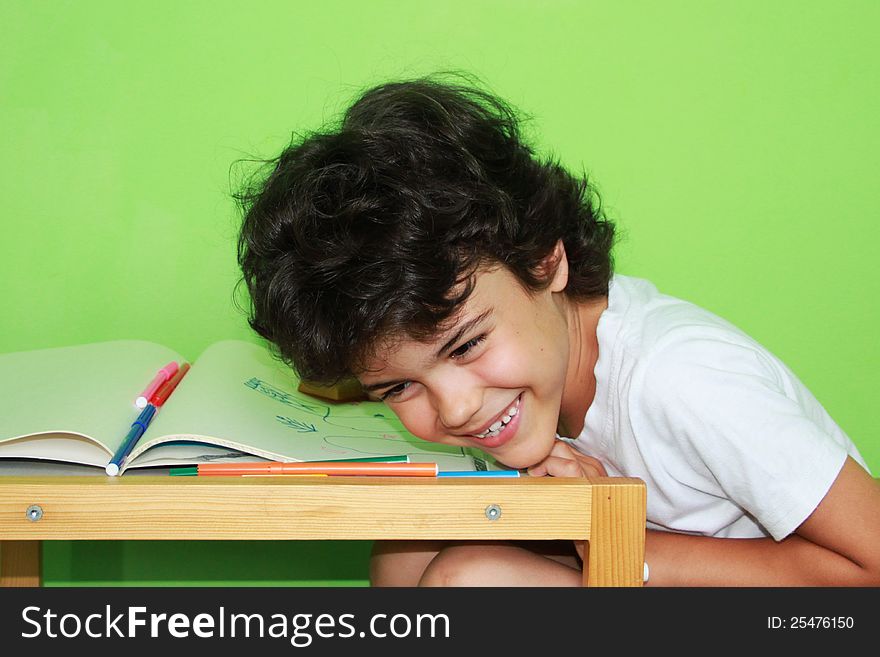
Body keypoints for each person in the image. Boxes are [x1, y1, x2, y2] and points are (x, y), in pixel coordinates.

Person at [236, 74, 880, 586]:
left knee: (471, 582)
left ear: (546, 258)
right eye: (397, 387)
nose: (455, 407)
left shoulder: (682, 378)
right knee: (408, 546)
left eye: (466, 344)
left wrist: (614, 544)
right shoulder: (533, 367)